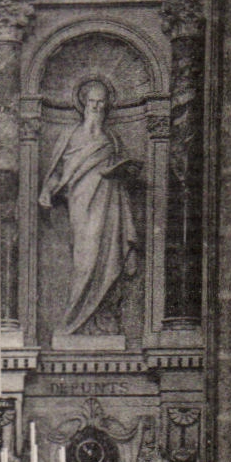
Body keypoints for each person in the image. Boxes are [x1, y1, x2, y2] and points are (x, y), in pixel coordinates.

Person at [39, 77, 140, 335]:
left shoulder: (112, 137)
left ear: (106, 106)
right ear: (83, 104)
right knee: (85, 258)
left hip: (109, 204)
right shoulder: (70, 135)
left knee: (107, 257)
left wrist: (124, 172)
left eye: (101, 102)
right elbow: (58, 171)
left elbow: (120, 168)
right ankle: (74, 319)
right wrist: (47, 192)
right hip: (81, 202)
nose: (96, 107)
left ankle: (101, 317)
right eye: (92, 102)